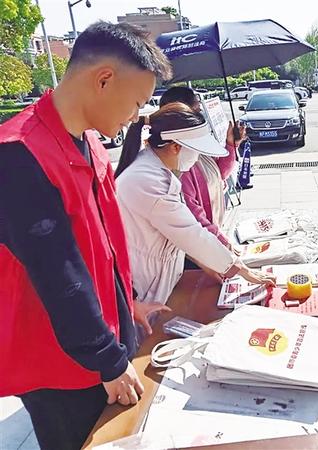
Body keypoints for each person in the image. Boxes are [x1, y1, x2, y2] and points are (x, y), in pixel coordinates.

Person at [0, 22, 172, 450]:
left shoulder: (90, 143)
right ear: (104, 79)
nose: (136, 116)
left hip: (100, 343)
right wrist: (109, 360)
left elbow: (104, 246)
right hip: (60, 366)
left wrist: (128, 303)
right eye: (137, 102)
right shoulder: (20, 153)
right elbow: (57, 273)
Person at [114, 102, 275, 328]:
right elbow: (191, 233)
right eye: (195, 150)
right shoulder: (148, 181)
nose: (197, 157)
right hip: (144, 285)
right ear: (175, 147)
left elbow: (180, 233)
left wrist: (211, 264)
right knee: (151, 337)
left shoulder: (153, 168)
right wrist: (242, 270)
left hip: (156, 276)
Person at [154, 86, 246, 255]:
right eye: (196, 110)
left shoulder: (197, 146)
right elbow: (194, 220)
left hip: (209, 237)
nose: (200, 115)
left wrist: (231, 144)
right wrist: (224, 246)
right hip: (199, 245)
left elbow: (219, 173)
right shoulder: (179, 164)